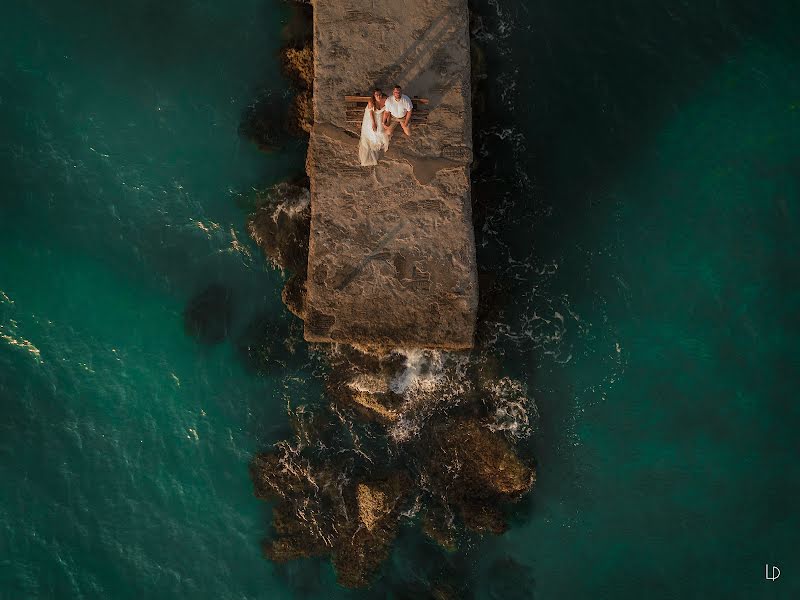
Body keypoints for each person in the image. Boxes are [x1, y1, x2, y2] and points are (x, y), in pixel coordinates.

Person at [358, 89, 390, 166]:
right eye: (376, 95)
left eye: (380, 94)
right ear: (374, 95)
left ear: (382, 94)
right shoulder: (371, 101)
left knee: (380, 132)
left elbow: (388, 110)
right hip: (372, 117)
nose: (378, 96)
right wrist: (373, 123)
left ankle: (375, 143)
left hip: (381, 116)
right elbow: (371, 113)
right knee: (373, 131)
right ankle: (369, 149)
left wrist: (386, 121)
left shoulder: (386, 100)